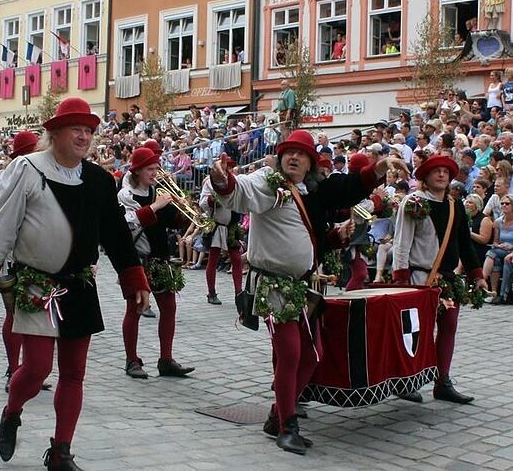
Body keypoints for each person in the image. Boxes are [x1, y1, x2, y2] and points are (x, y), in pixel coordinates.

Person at [0, 97, 149, 471]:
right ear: (55, 134)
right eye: (76, 129)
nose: (84, 136)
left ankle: (61, 450)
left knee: (74, 373)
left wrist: (135, 280)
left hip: (79, 285)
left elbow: (116, 235)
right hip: (37, 286)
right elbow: (0, 225)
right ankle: (12, 410)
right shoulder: (27, 170)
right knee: (35, 368)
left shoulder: (99, 179)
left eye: (89, 130)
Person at [209, 129, 405, 454]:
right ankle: (288, 426)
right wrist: (223, 181)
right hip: (273, 283)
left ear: (310, 163)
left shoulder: (311, 193)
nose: (294, 158)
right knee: (290, 353)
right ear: (281, 156)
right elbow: (240, 192)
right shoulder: (268, 183)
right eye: (289, 152)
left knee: (313, 356)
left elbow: (345, 191)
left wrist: (334, 237)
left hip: (303, 285)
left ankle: (277, 416)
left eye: (301, 154)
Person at [392, 154, 487, 405]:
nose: (442, 175)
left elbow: (464, 242)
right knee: (416, 333)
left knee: (449, 327)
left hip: (448, 279)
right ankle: (406, 381)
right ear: (425, 176)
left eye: (446, 171)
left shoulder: (455, 205)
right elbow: (402, 242)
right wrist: (401, 277)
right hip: (420, 277)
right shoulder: (413, 202)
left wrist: (476, 273)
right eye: (436, 171)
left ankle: (442, 381)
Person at [118, 147, 193, 380]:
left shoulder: (158, 192)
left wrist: (182, 209)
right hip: (138, 260)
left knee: (169, 308)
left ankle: (166, 359)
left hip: (161, 258)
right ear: (137, 171)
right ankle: (132, 360)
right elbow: (128, 225)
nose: (155, 173)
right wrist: (156, 206)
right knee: (135, 309)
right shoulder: (126, 195)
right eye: (150, 169)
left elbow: (173, 222)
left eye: (156, 168)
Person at [0, 130, 40, 391]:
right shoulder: (0, 177)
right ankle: (13, 367)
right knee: (13, 313)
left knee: (37, 313)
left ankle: (32, 368)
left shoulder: (48, 175)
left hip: (40, 252)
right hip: (12, 254)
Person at [200, 170, 244, 305]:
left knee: (236, 259)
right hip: (217, 225)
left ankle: (239, 293)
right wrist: (211, 200)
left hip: (232, 226)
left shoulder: (236, 181)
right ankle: (211, 293)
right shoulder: (209, 183)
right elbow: (202, 203)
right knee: (213, 258)